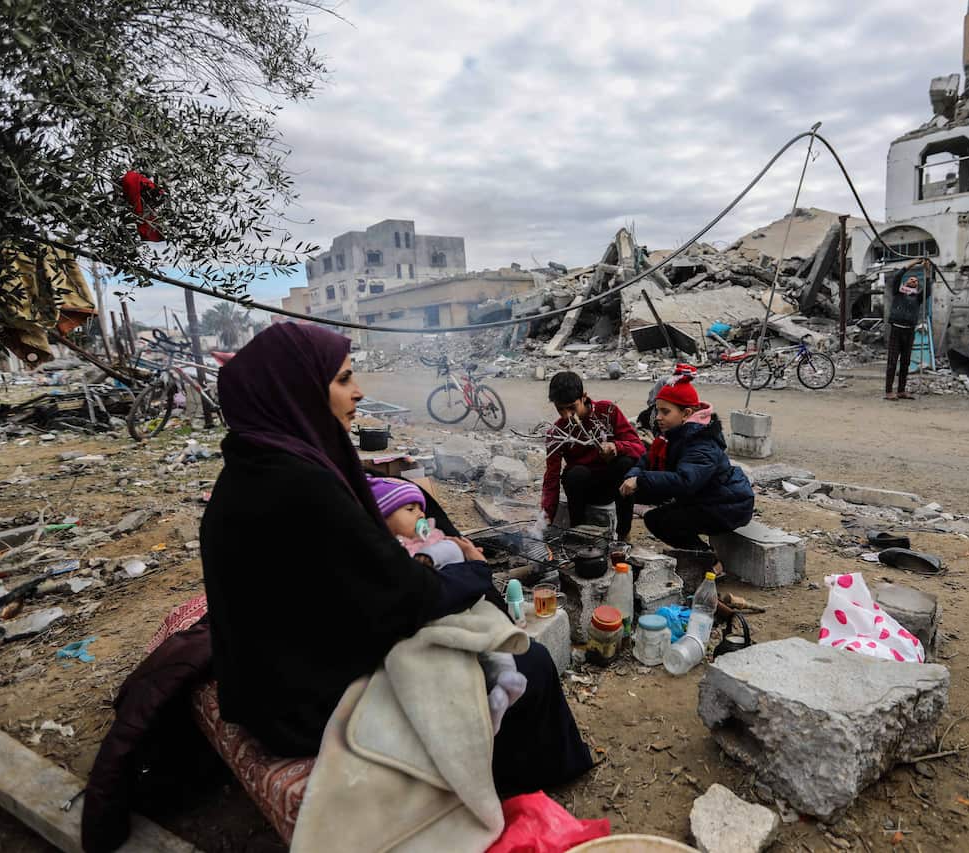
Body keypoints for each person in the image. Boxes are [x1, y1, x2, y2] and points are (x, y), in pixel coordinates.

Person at [200, 323, 592, 796]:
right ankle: (518, 789)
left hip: (277, 681)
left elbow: (351, 580)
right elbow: (403, 602)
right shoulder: (300, 486)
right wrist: (470, 568)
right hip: (303, 706)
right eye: (344, 380)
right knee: (531, 666)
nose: (359, 392)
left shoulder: (256, 465)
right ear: (298, 389)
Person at [619, 371, 753, 572]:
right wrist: (633, 476)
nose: (659, 418)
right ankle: (621, 536)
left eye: (666, 412)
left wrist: (641, 480)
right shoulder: (673, 435)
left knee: (661, 521)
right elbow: (646, 461)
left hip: (727, 504)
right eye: (658, 411)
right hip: (703, 497)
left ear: (687, 414)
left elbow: (686, 481)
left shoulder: (701, 442)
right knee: (632, 487)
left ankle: (709, 561)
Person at [543, 371, 645, 537]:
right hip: (583, 488)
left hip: (613, 486)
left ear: (584, 397)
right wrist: (547, 514)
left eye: (572, 407)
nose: (568, 415)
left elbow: (639, 449)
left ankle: (623, 533)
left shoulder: (607, 412)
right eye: (560, 409)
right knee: (575, 473)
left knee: (625, 463)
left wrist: (616, 446)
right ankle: (579, 534)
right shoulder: (557, 432)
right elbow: (551, 477)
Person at [367, 476, 465, 569]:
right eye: (410, 509)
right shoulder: (380, 549)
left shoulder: (430, 538)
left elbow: (454, 549)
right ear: (382, 519)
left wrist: (430, 555)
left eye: (421, 509)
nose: (422, 515)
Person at [886, 266, 924, 400]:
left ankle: (901, 390)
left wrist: (928, 271)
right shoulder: (899, 292)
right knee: (892, 361)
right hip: (896, 329)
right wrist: (911, 265)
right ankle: (889, 391)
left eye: (916, 281)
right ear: (906, 282)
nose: (913, 281)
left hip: (909, 331)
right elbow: (896, 277)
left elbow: (928, 290)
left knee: (905, 362)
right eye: (911, 279)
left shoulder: (917, 297)